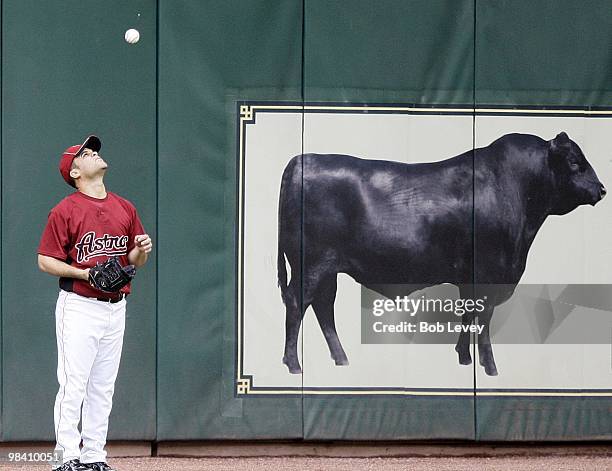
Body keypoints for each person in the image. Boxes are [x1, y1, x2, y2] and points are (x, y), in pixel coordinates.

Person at [37, 135, 152, 471]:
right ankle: (64, 457)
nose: (95, 154)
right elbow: (45, 260)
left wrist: (140, 251)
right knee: (73, 384)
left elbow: (132, 262)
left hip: (116, 308)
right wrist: (84, 274)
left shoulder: (125, 207)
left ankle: (93, 456)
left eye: (95, 150)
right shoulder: (65, 210)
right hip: (80, 305)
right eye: (87, 153)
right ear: (74, 171)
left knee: (103, 387)